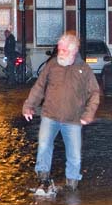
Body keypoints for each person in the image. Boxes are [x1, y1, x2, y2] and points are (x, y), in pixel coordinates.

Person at [23, 32, 100, 194]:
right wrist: (29, 105)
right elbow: (39, 86)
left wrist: (88, 114)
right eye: (59, 49)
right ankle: (42, 179)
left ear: (73, 51)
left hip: (73, 120)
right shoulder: (52, 65)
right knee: (44, 146)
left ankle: (72, 185)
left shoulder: (83, 69)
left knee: (74, 155)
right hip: (50, 115)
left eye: (63, 50)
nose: (60, 52)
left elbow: (94, 93)